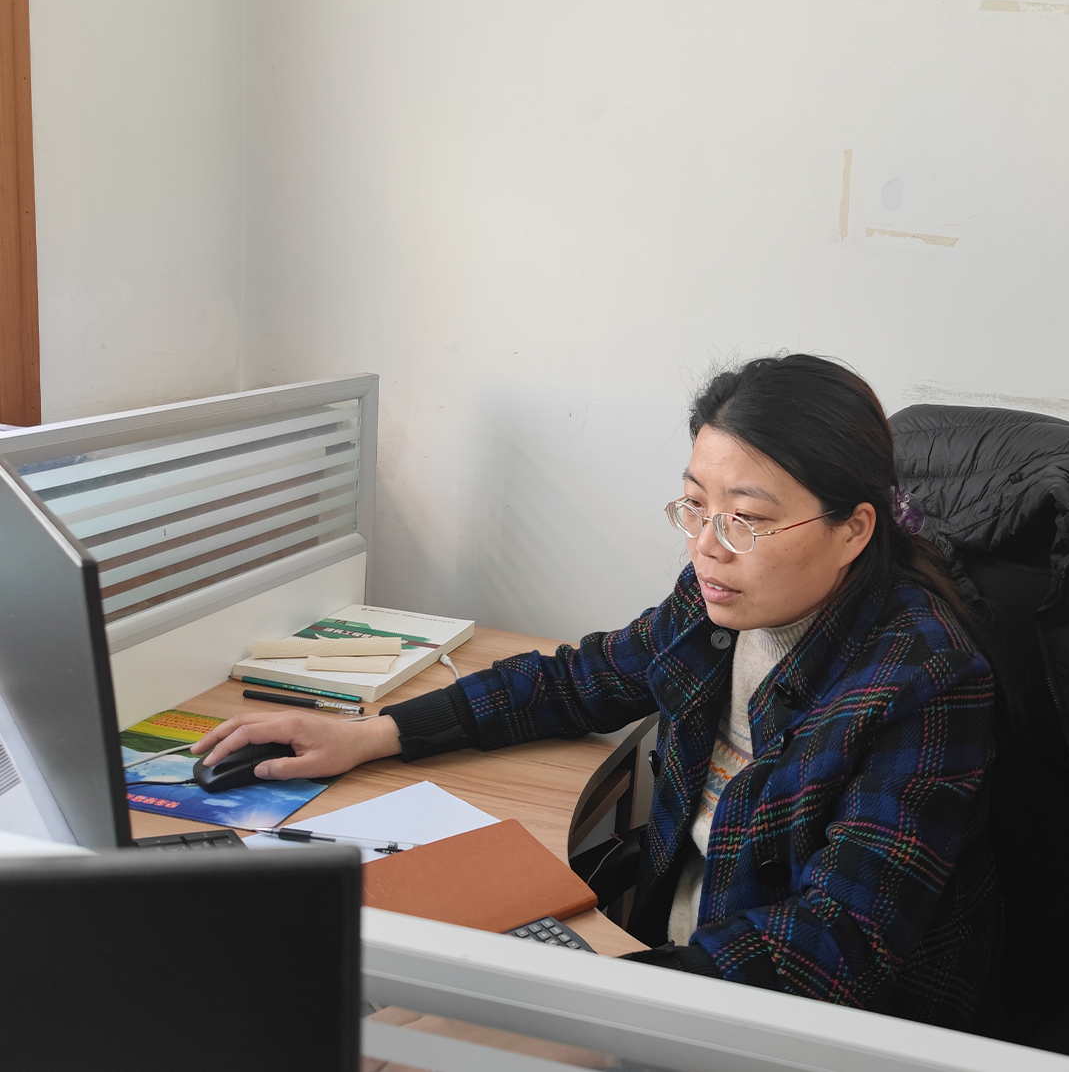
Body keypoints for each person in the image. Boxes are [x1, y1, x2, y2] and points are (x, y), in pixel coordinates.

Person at [194, 354, 997, 1027]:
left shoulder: (925, 679)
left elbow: (833, 946)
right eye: (695, 506)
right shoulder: (718, 602)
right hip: (659, 965)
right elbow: (578, 679)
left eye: (745, 519)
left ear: (853, 529)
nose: (707, 546)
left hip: (778, 1025)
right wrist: (375, 732)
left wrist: (588, 1005)